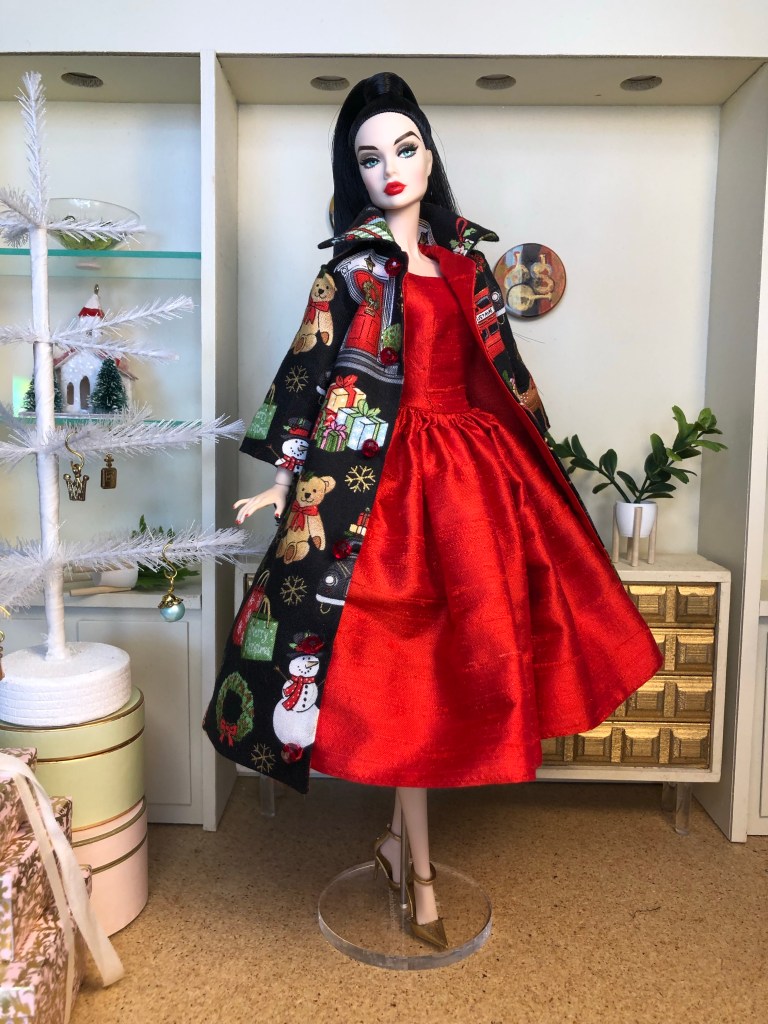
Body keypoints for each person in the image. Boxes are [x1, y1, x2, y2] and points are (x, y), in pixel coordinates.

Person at [203, 72, 663, 951]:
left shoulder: (465, 265)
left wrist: (534, 461)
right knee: (400, 667)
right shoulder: (349, 272)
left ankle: (396, 848)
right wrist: (284, 479)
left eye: (405, 147)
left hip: (471, 474)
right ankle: (416, 873)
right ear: (354, 174)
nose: (390, 168)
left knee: (458, 660)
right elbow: (313, 374)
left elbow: (504, 371)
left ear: (427, 155)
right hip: (376, 477)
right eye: (369, 157)